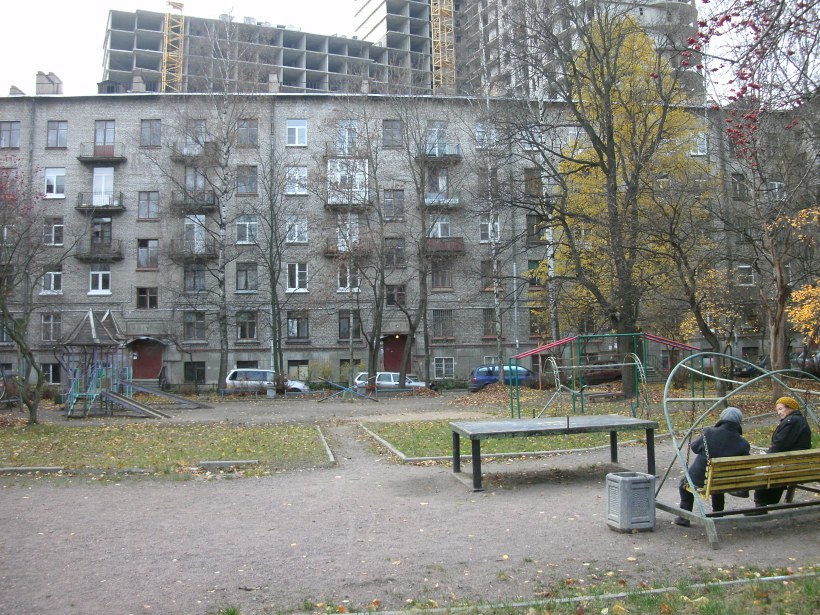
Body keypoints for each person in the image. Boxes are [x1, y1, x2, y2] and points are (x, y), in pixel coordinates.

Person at [674, 406, 750, 527]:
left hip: (701, 478)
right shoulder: (743, 443)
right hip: (724, 480)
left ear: (722, 418)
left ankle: (684, 516)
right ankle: (718, 513)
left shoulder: (709, 433)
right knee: (717, 485)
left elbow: (694, 448)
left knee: (684, 484)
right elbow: (746, 464)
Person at [753, 396, 812, 508]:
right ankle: (764, 501)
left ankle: (760, 504)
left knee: (762, 469)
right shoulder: (798, 420)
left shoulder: (791, 421)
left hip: (790, 464)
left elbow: (780, 444)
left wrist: (765, 457)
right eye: (778, 410)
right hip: (796, 462)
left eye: (781, 409)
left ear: (790, 408)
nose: (779, 412)